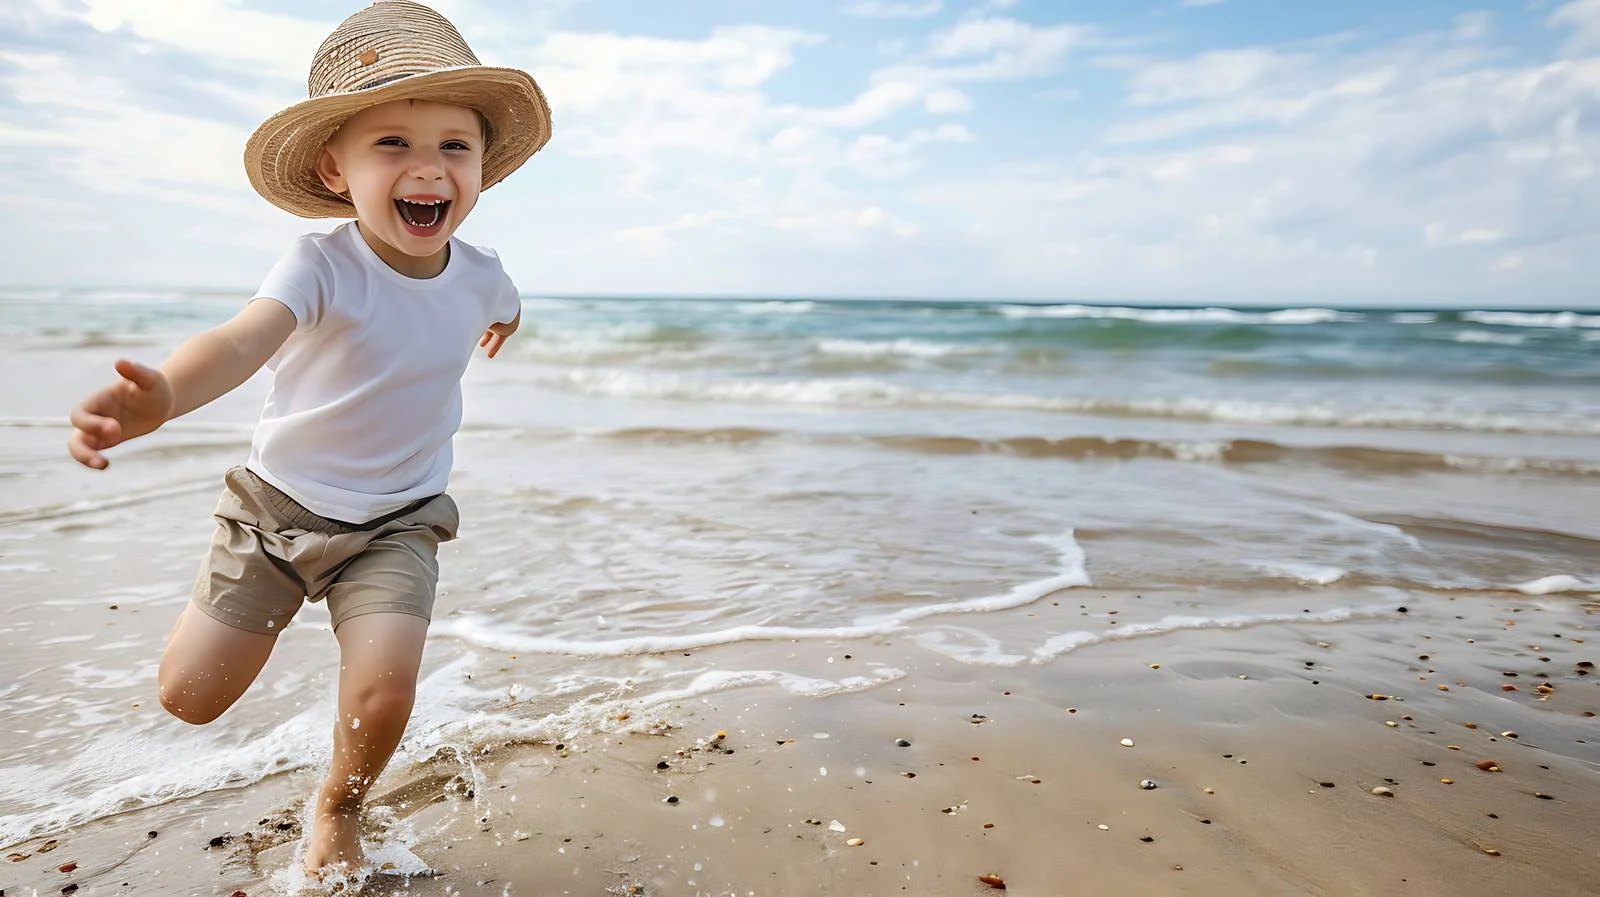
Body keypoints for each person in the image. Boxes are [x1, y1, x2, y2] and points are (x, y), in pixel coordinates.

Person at [64, 0, 551, 879]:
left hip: (399, 520)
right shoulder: (319, 265)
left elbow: (502, 303)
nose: (428, 167)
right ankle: (245, 611)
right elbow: (241, 342)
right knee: (191, 699)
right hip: (276, 512)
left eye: (453, 145)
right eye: (392, 144)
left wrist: (505, 324)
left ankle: (337, 808)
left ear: (482, 168)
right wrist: (166, 394)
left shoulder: (483, 275)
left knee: (386, 688)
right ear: (336, 169)